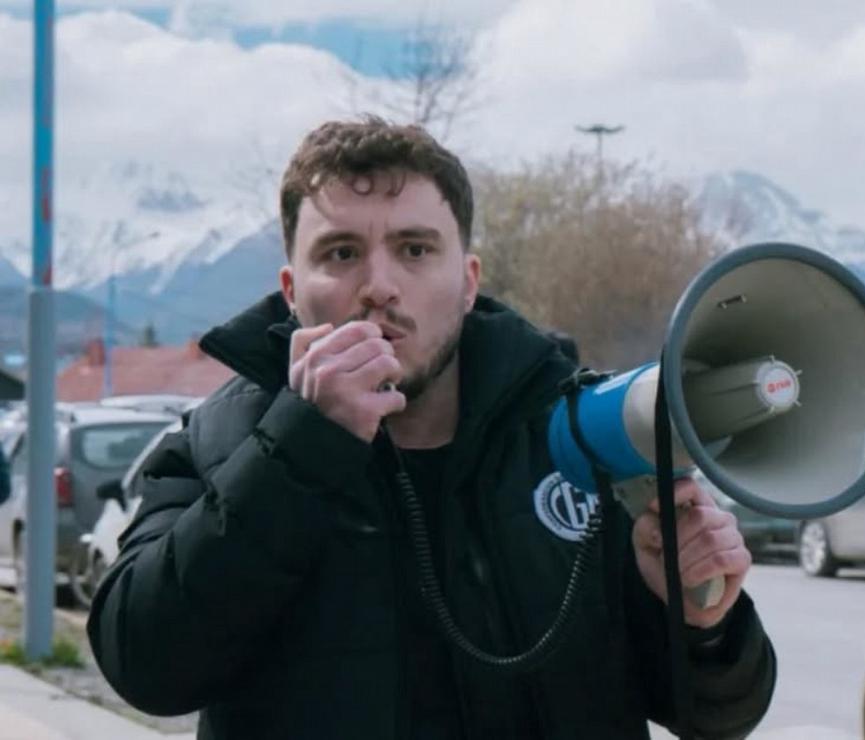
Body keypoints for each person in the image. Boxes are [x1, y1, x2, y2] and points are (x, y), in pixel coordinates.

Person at [86, 118, 776, 739]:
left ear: (469, 282)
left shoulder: (578, 438)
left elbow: (717, 715)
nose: (379, 285)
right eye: (341, 253)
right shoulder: (219, 443)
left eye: (415, 250)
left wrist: (703, 624)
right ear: (292, 291)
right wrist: (298, 449)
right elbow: (144, 667)